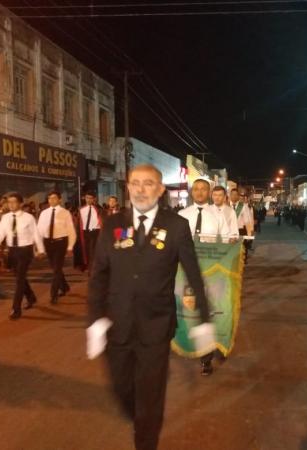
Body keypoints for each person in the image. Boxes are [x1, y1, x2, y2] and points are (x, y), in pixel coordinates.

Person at [87, 164, 211, 450]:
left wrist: (203, 320)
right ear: (127, 187)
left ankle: (145, 440)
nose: (141, 190)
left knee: (151, 395)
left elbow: (193, 274)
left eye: (148, 183)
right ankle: (140, 418)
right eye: (135, 183)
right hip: (117, 324)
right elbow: (99, 276)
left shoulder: (176, 225)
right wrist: (95, 321)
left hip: (156, 325)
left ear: (160, 189)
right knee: (121, 389)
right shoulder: (113, 224)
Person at [179, 179, 230, 376]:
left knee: (211, 310)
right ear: (192, 192)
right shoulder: (182, 215)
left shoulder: (218, 215)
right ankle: (189, 344)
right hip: (185, 272)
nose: (200, 192)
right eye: (196, 189)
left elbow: (226, 240)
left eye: (204, 189)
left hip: (212, 272)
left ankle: (207, 357)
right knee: (187, 309)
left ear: (209, 192)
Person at [0, 193, 45, 320]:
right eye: (9, 202)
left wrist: (41, 249)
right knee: (20, 277)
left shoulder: (29, 218)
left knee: (19, 279)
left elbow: (36, 234)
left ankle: (16, 309)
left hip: (25, 251)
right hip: (12, 251)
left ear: (20, 203)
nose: (11, 204)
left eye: (14, 202)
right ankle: (31, 297)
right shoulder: (6, 218)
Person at [37, 191, 77, 304]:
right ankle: (65, 287)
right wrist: (39, 246)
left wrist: (70, 247)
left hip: (61, 242)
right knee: (55, 268)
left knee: (57, 268)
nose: (51, 200)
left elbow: (71, 231)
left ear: (59, 199)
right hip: (48, 242)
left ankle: (53, 294)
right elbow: (39, 230)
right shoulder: (44, 213)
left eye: (54, 198)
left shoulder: (65, 213)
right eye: (49, 198)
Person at [78, 192, 102, 273]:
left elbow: (101, 221)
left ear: (94, 199)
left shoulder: (98, 209)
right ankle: (89, 266)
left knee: (92, 250)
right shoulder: (81, 210)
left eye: (91, 198)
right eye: (87, 198)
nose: (89, 200)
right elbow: (79, 223)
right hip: (85, 232)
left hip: (95, 232)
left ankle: (91, 270)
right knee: (86, 251)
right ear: (85, 198)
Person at [230, 189, 254, 263]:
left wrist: (249, 234)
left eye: (235, 194)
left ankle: (242, 261)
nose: (234, 196)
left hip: (240, 230)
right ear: (230, 195)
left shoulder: (243, 206)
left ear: (238, 196)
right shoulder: (225, 206)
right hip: (228, 231)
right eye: (232, 194)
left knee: (242, 248)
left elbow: (247, 221)